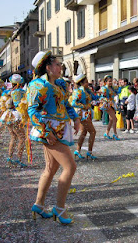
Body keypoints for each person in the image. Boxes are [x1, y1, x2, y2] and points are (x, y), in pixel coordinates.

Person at [28, 50, 80, 225]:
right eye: (58, 64)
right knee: (70, 167)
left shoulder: (60, 84)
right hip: (50, 132)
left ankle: (39, 205)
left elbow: (65, 103)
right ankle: (59, 208)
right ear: (49, 68)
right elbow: (32, 111)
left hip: (60, 129)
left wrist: (76, 118)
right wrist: (45, 131)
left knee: (50, 169)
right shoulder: (38, 86)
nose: (61, 66)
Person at [0, 74, 27, 167]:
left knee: (13, 137)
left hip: (8, 115)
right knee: (22, 138)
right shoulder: (20, 92)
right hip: (16, 116)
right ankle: (19, 159)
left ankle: (10, 157)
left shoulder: (7, 92)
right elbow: (21, 104)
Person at [72, 73, 99, 160]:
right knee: (93, 132)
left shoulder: (87, 90)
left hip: (87, 114)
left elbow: (94, 98)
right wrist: (84, 106)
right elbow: (73, 103)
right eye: (86, 82)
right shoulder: (78, 91)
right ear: (82, 83)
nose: (88, 83)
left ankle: (77, 151)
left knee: (84, 132)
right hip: (82, 114)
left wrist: (97, 93)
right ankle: (89, 152)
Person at [99, 75, 122, 140]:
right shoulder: (104, 88)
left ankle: (107, 133)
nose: (110, 82)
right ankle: (115, 134)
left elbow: (117, 92)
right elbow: (102, 97)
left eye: (111, 81)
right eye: (109, 81)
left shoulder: (111, 88)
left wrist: (119, 86)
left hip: (112, 104)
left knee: (112, 120)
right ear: (105, 82)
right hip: (107, 105)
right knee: (115, 119)